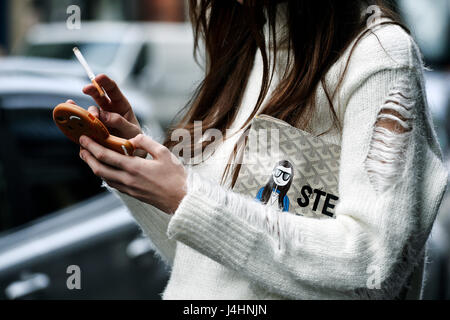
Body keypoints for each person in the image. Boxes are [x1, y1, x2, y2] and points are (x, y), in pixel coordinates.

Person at [69, 0, 448, 299]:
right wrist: (138, 167)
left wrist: (188, 196)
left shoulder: (379, 57)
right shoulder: (250, 49)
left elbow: (373, 265)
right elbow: (209, 262)